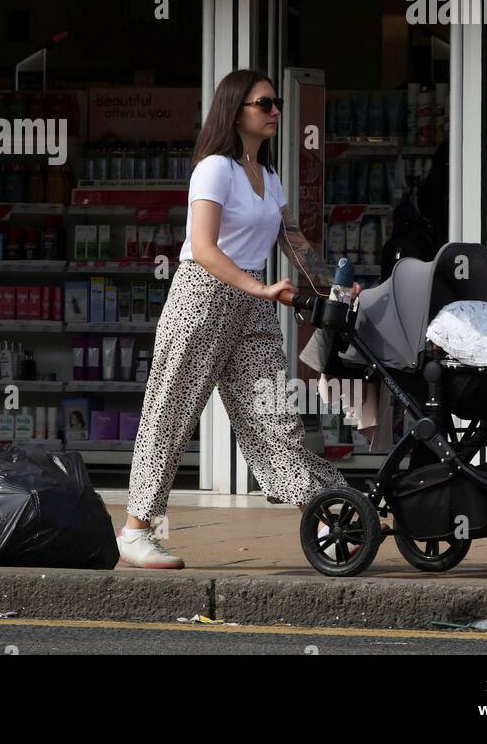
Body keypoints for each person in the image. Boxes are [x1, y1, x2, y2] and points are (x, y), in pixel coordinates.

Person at [117, 69, 357, 569]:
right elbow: (203, 248)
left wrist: (331, 286)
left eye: (277, 104)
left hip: (252, 304)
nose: (275, 111)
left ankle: (326, 511)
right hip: (202, 297)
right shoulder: (214, 169)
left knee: (275, 418)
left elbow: (291, 238)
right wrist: (260, 287)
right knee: (172, 412)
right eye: (264, 104)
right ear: (236, 110)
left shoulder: (267, 176)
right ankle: (138, 529)